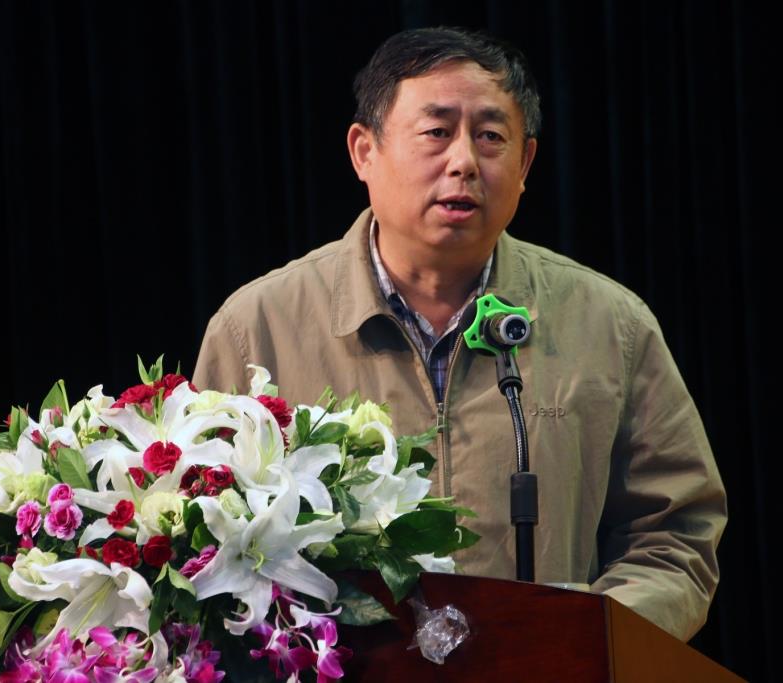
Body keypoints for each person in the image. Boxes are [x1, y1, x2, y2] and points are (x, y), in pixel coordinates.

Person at [194, 27, 726, 641]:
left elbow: (675, 536)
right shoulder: (257, 329)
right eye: (436, 131)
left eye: (491, 136)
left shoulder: (610, 325)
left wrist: (579, 641)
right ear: (364, 152)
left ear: (525, 164)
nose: (465, 162)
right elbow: (207, 546)